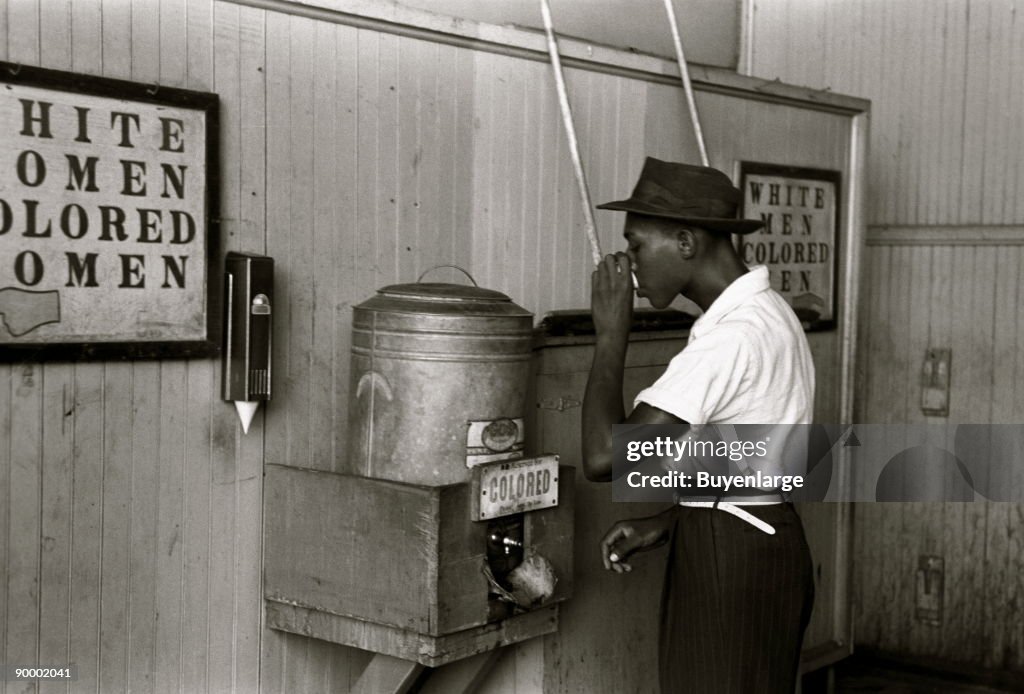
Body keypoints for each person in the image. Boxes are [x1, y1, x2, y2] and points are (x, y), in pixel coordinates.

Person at [581, 157, 816, 693]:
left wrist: (611, 334)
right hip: (757, 538)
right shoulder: (769, 312)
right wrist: (670, 519)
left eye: (636, 246)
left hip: (731, 558)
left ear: (686, 242)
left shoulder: (731, 337)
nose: (630, 265)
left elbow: (604, 458)